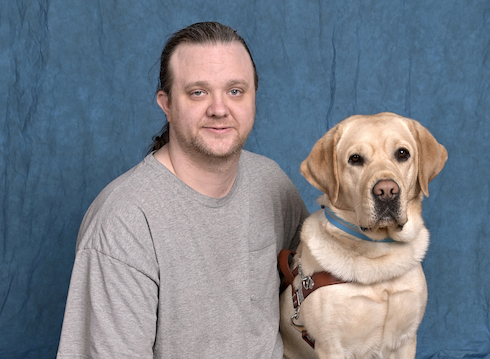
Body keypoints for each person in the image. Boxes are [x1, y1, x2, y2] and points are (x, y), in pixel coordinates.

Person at [57, 22, 309, 358]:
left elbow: (318, 283)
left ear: (254, 98)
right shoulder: (124, 221)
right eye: (198, 92)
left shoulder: (271, 183)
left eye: (235, 91)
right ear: (166, 104)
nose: (219, 109)